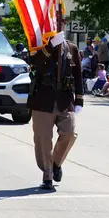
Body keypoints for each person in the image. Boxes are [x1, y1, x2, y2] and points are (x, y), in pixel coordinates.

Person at [27, 31, 83, 190]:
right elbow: (35, 62)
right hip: (43, 99)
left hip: (65, 99)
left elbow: (77, 74)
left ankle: (55, 163)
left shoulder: (71, 48)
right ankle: (47, 175)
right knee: (43, 139)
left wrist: (79, 99)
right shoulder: (37, 45)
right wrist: (51, 45)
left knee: (69, 132)